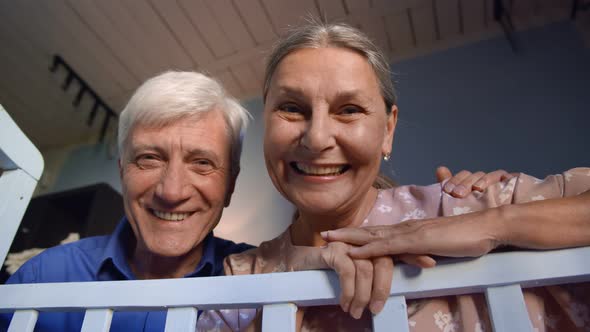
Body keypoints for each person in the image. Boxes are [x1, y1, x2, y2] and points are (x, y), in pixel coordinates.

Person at [199, 20, 590, 331]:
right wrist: (286, 291)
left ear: (388, 129)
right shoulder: (243, 276)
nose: (317, 138)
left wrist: (495, 223)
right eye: (291, 108)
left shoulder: (471, 204)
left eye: (349, 109)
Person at [0, 71, 255, 331]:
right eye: (149, 158)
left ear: (230, 184)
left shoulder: (260, 277)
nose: (171, 192)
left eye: (202, 163)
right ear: (122, 171)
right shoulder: (44, 276)